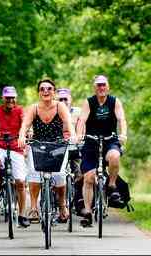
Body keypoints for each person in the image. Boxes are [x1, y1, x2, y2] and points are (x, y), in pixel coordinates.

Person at [18, 79, 75, 224]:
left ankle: (62, 205)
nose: (46, 91)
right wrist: (21, 136)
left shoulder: (60, 106)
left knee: (60, 175)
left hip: (58, 145)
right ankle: (34, 208)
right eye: (42, 89)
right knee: (34, 173)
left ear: (54, 92)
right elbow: (25, 125)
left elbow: (68, 121)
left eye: (49, 88)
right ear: (39, 92)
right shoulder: (34, 108)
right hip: (38, 145)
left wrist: (73, 135)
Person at [76, 74, 127, 226]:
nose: (101, 88)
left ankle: (111, 185)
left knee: (115, 156)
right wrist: (79, 134)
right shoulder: (89, 102)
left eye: (103, 85)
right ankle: (88, 212)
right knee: (89, 178)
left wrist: (123, 133)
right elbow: (82, 120)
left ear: (108, 86)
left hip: (109, 140)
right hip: (91, 141)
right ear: (95, 87)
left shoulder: (114, 101)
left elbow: (121, 119)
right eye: (98, 85)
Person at [0, 85, 30, 228]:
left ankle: (22, 214)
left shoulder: (20, 110)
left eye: (12, 97)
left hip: (15, 148)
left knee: (20, 182)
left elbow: (25, 124)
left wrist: (26, 133)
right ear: (2, 98)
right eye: (7, 97)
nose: (10, 100)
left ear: (16, 98)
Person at [56, 88, 84, 216]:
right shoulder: (53, 111)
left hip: (75, 147)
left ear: (70, 100)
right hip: (58, 147)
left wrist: (80, 137)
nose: (63, 101)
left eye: (65, 99)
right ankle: (54, 200)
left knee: (80, 173)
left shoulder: (78, 112)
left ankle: (79, 200)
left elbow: (83, 128)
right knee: (54, 174)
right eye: (60, 99)